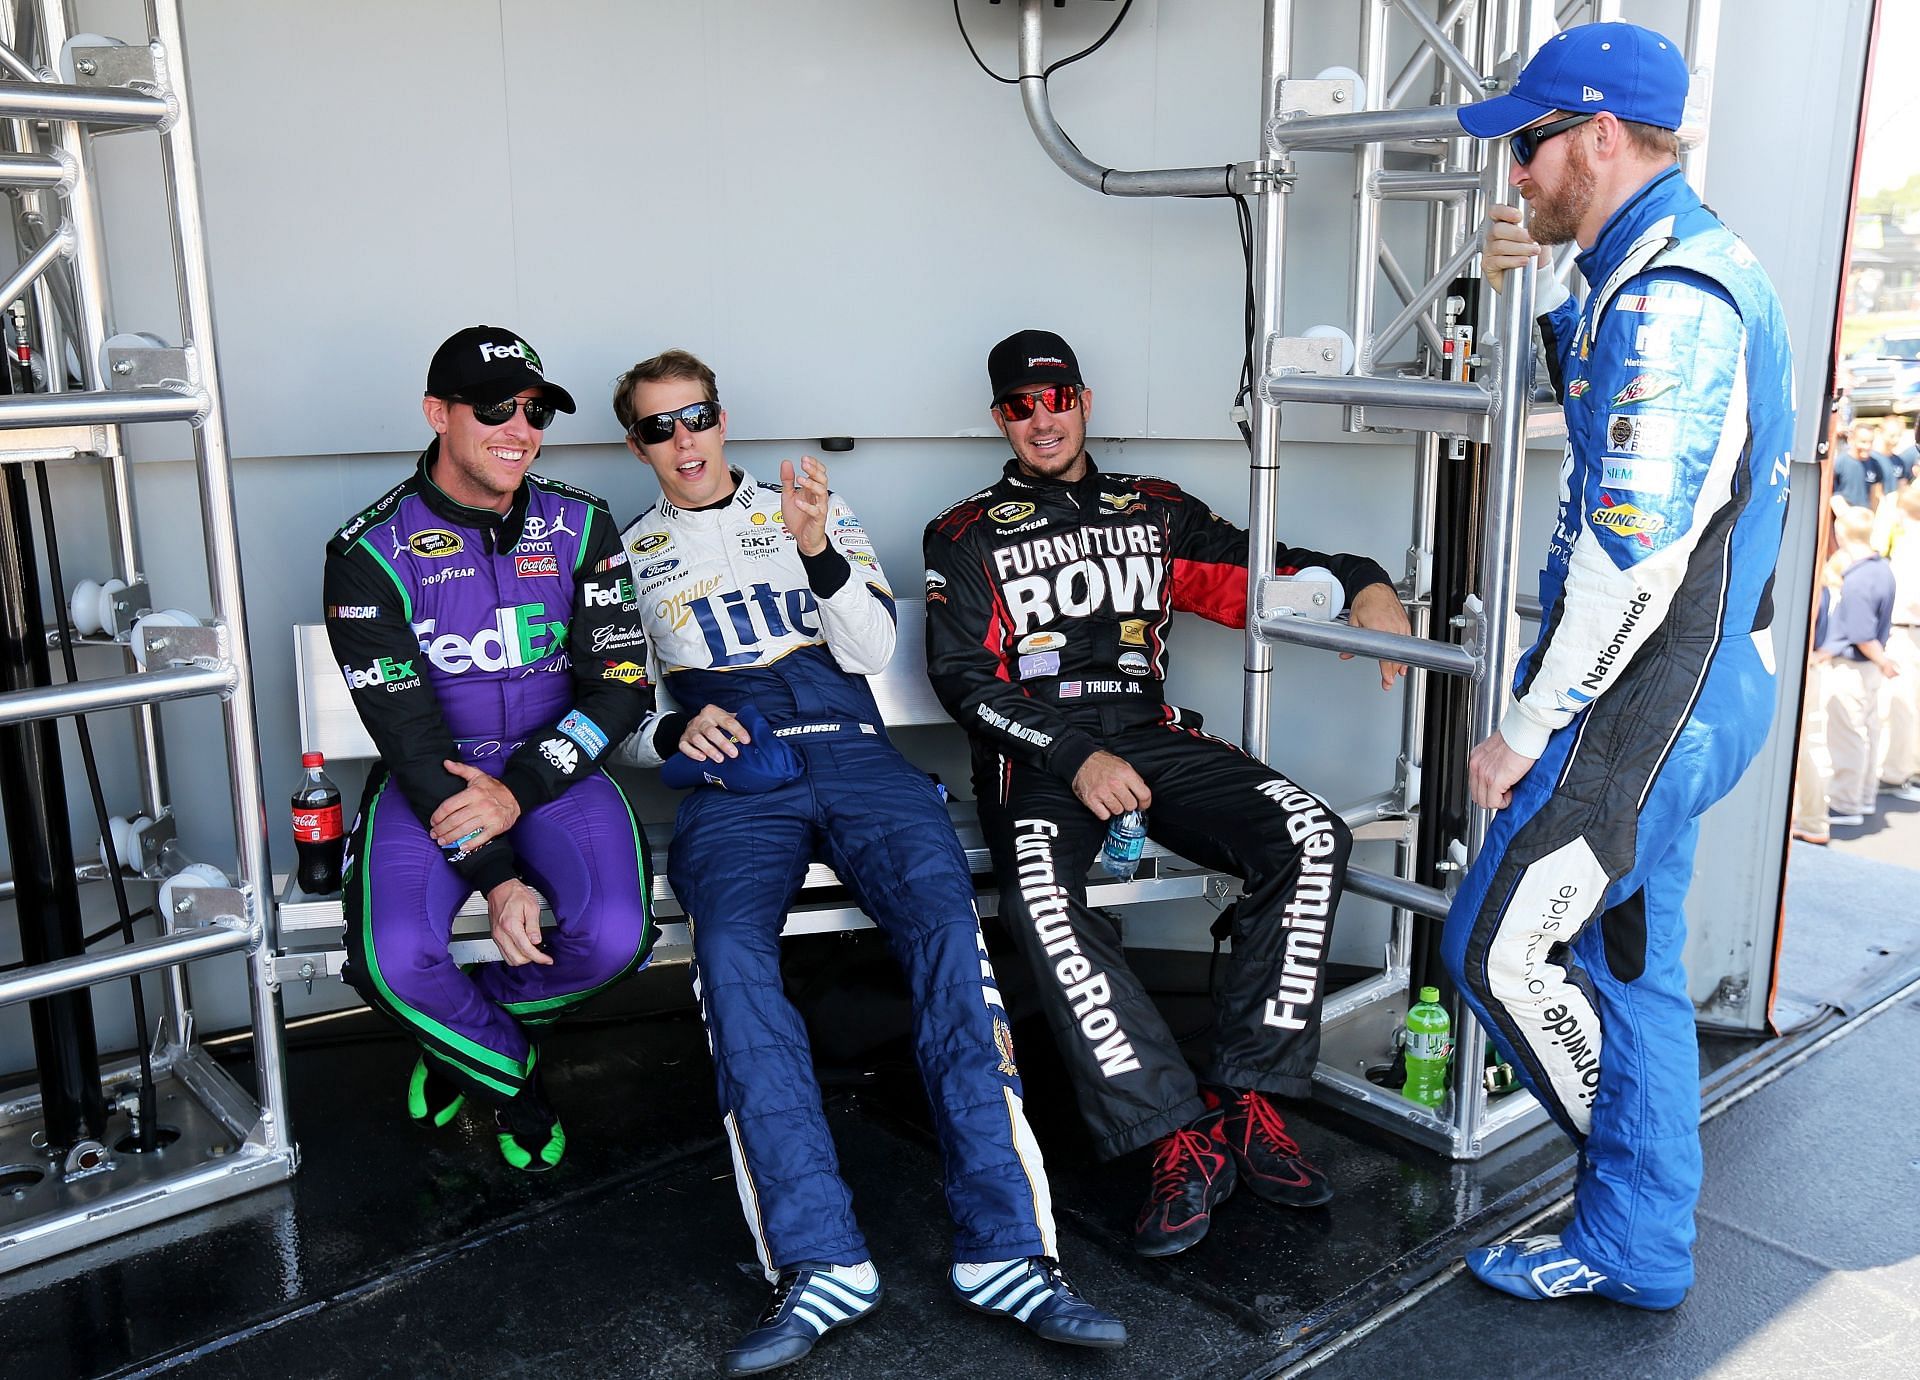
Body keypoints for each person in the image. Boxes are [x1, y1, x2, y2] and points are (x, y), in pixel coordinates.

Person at [607, 349, 1124, 1376]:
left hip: (852, 750)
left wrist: (815, 552)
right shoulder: (624, 555)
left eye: (697, 417)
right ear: (638, 443)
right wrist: (669, 734)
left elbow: (875, 647)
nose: (684, 440)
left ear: (721, 418)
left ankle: (1009, 1251)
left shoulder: (809, 509)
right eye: (660, 427)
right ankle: (818, 1261)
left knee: (947, 941)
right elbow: (619, 714)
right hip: (734, 770)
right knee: (735, 967)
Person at [922, 329, 1411, 1258]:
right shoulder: (964, 533)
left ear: (1083, 401)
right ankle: (1170, 1134)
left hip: (1151, 734)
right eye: (1021, 407)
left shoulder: (1148, 509)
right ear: (1000, 420)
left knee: (1309, 836)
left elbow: (1255, 569)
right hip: (1035, 755)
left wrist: (1362, 581)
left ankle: (1251, 1098)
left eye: (1055, 398)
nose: (1042, 419)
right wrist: (1072, 756)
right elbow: (962, 680)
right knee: (1044, 905)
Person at [1445, 23, 1794, 1310]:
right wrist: (1534, 284)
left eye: (1530, 147)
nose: (1516, 175)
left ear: (1598, 135)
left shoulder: (1671, 298)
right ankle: (1640, 1241)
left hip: (1652, 696)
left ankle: (1633, 1203)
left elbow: (1632, 553)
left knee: (1495, 953)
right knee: (1627, 961)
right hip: (1685, 687)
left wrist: (1528, 726)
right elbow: (1618, 440)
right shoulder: (1641, 267)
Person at [323, 326, 658, 1172]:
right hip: (430, 778)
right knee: (391, 961)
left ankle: (461, 1039)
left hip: (556, 770)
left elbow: (620, 683)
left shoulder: (582, 523)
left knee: (616, 936)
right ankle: (513, 1076)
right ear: (438, 413)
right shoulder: (367, 552)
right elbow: (409, 734)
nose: (521, 427)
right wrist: (499, 876)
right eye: (496, 407)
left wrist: (522, 787)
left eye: (536, 409)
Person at [1820, 503, 1898, 824]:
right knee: (1868, 732)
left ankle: (1845, 802)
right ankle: (1863, 798)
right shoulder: (1883, 569)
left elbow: (1862, 635)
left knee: (1849, 734)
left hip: (1854, 665)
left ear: (1840, 533)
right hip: (1869, 667)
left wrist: (1884, 662)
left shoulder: (1858, 580)